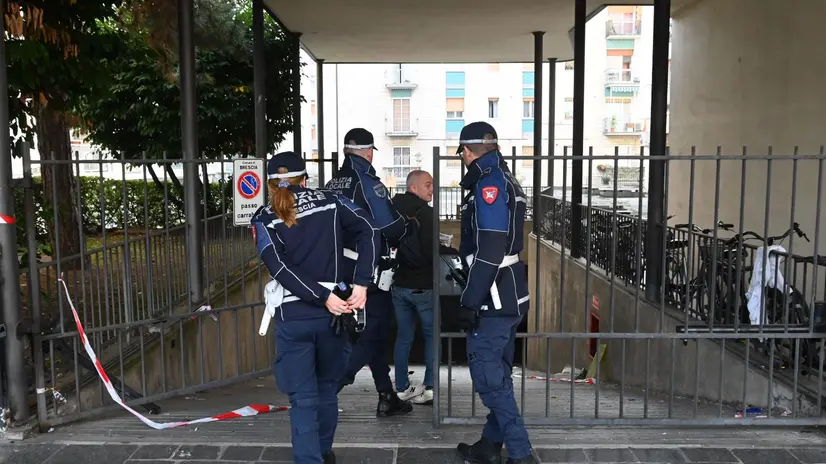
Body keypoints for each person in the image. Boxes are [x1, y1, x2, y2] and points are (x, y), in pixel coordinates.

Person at [251, 151, 380, 464]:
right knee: (326, 390)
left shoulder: (264, 217)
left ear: (270, 185)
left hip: (294, 316)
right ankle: (323, 452)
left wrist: (317, 295)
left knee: (304, 399)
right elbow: (371, 230)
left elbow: (278, 267)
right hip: (333, 316)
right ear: (305, 179)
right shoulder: (331, 201)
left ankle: (311, 459)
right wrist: (361, 283)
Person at [453, 122, 538, 464]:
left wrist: (470, 299)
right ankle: (489, 445)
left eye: (462, 151)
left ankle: (521, 454)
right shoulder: (506, 178)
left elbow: (489, 249)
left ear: (468, 151)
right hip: (509, 292)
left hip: (494, 296)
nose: (461, 156)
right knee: (498, 375)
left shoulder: (489, 183)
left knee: (488, 377)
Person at [323, 128, 414, 417]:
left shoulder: (331, 183)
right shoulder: (368, 182)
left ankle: (386, 395)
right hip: (366, 269)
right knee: (373, 331)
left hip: (339, 267)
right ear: (368, 151)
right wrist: (408, 226)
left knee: (369, 331)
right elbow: (390, 227)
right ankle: (329, 387)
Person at [390, 170, 455, 405]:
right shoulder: (426, 214)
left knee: (403, 337)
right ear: (413, 187)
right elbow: (430, 252)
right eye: (427, 185)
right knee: (431, 336)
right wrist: (445, 248)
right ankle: (429, 388)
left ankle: (401, 388)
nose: (432, 189)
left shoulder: (391, 209)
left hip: (398, 285)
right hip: (423, 286)